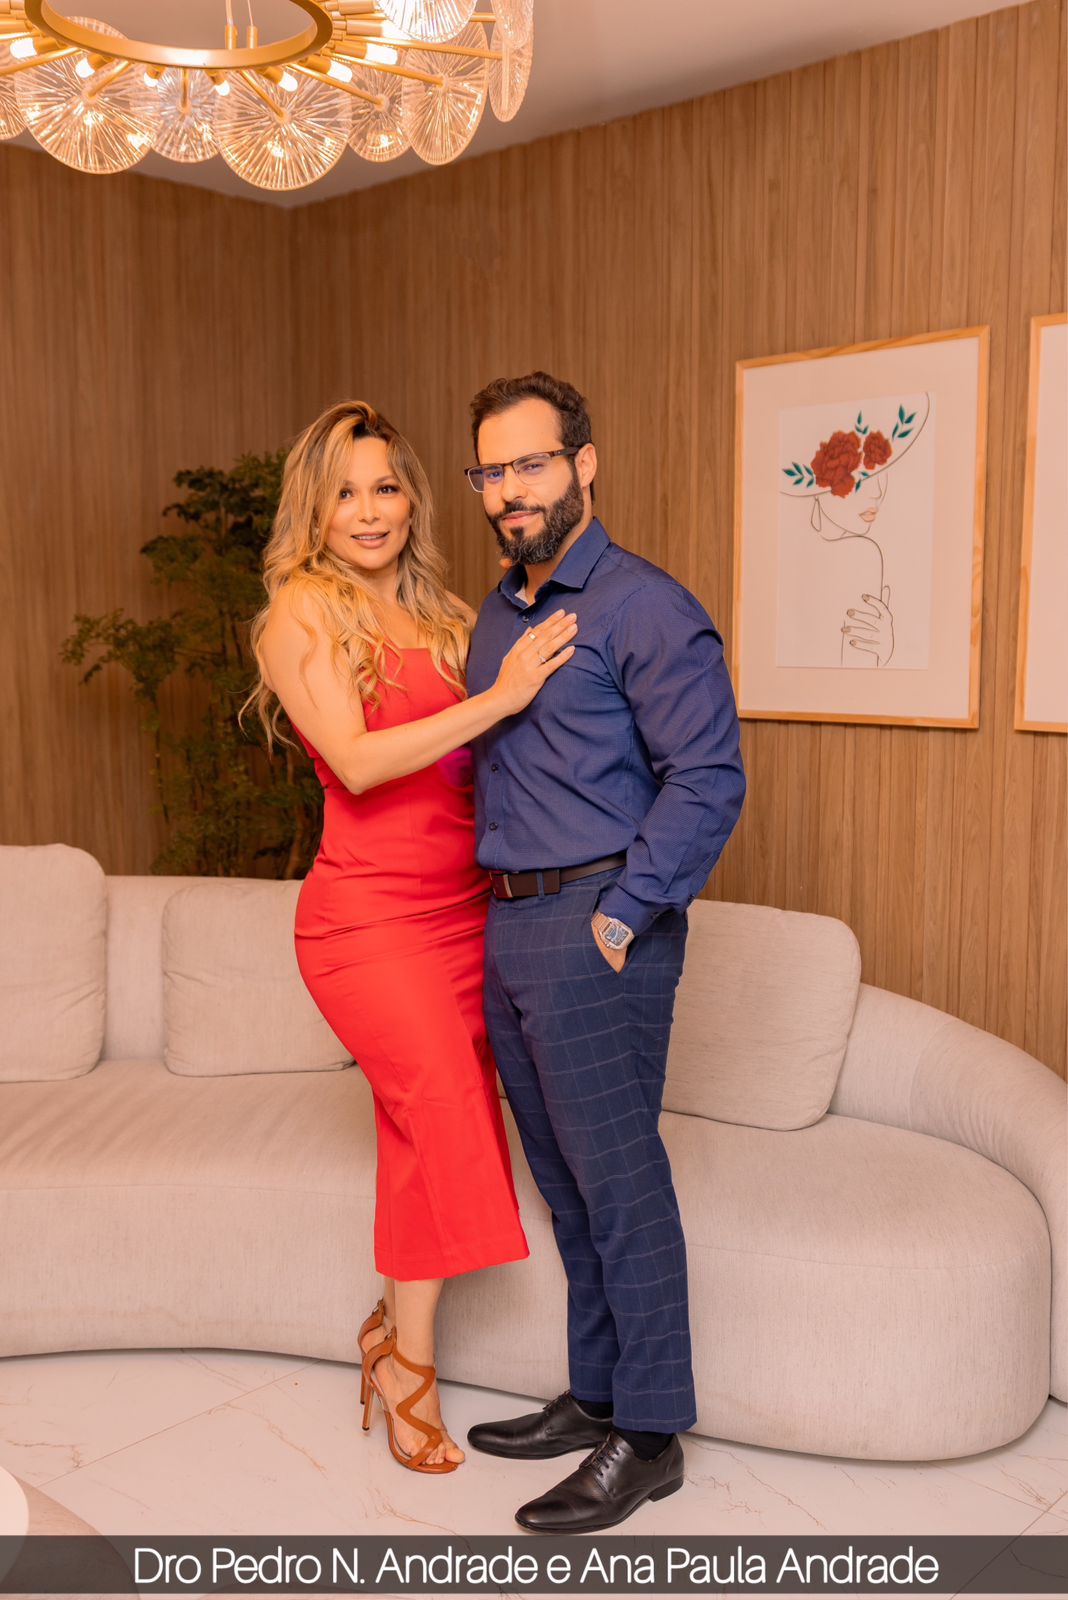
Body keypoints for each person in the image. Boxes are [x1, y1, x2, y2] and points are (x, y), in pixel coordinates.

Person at [241, 399, 579, 1474]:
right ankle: (408, 1373)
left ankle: (393, 1339)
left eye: (386, 486)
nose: (369, 510)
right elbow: (358, 761)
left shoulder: (443, 611)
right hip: (367, 922)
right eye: (345, 492)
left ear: (412, 499)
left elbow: (496, 764)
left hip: (465, 910)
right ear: (314, 509)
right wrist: (504, 694)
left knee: (417, 1130)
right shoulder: (299, 611)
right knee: (442, 1110)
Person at [462, 371, 747, 1532]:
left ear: (585, 465)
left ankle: (651, 1433)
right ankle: (596, 1396)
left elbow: (710, 776)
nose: (509, 490)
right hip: (509, 925)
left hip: (596, 925)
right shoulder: (498, 616)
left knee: (620, 1186)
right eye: (492, 470)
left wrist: (623, 916)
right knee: (568, 1186)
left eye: (531, 464)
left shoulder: (643, 606)